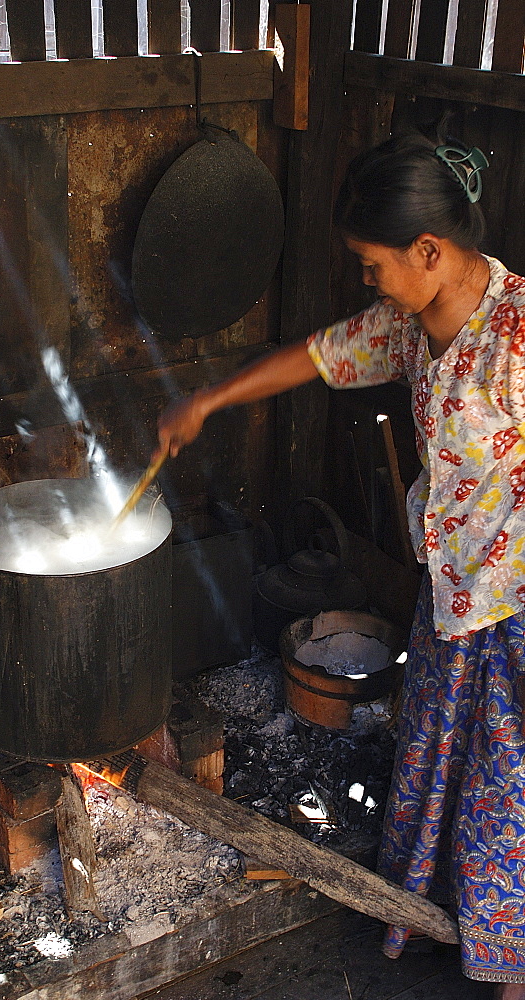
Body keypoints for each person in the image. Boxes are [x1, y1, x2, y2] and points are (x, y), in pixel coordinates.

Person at [156, 130, 525, 998]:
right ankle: (440, 919)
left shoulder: (516, 336)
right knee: (435, 754)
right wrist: (208, 400)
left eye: (373, 263)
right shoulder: (413, 324)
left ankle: (514, 962)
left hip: (515, 607)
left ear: (427, 251)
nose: (368, 279)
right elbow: (319, 356)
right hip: (451, 594)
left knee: (509, 783)